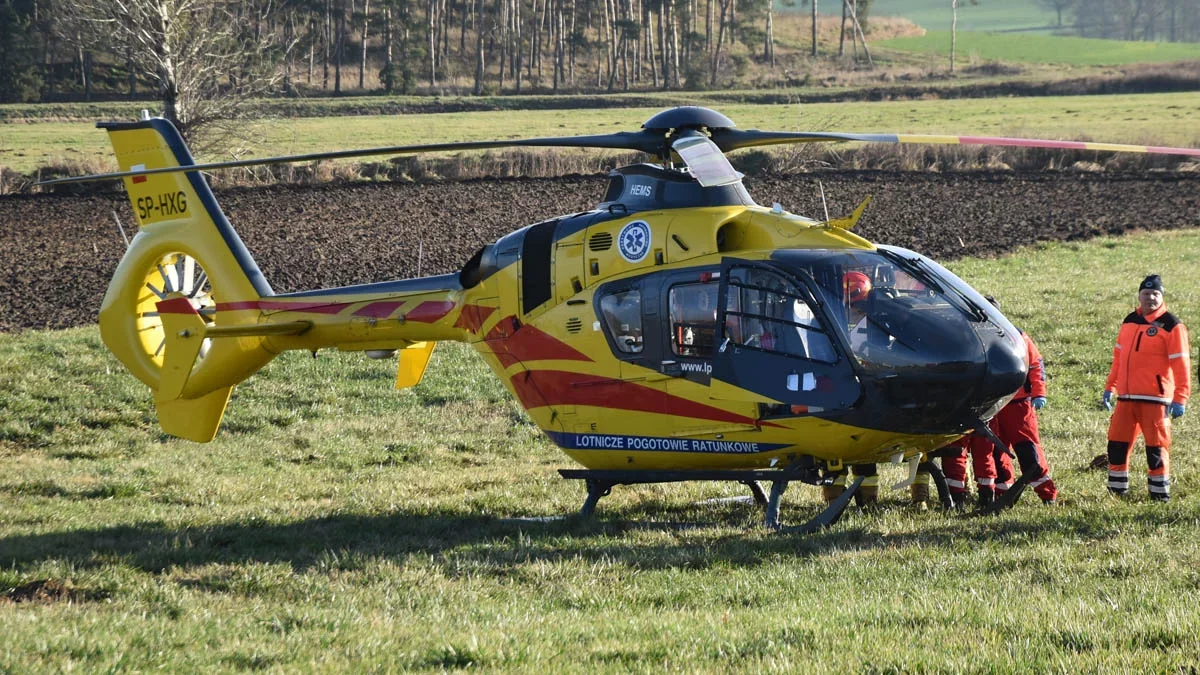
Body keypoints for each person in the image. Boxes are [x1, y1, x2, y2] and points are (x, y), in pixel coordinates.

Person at [950, 296, 1058, 506]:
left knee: (1028, 450)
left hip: (1017, 405)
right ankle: (1003, 494)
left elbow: (1035, 365)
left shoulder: (1017, 336)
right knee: (995, 452)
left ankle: (1047, 494)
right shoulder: (974, 335)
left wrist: (1039, 393)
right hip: (991, 405)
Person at [1102, 274, 1191, 502]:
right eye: (1146, 293)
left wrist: (1180, 397)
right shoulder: (1130, 320)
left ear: (1162, 296)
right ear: (1139, 296)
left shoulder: (1172, 325)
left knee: (1156, 448)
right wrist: (1110, 386)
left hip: (1156, 399)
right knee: (1116, 445)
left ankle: (1159, 495)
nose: (1150, 297)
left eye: (1155, 294)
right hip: (1126, 399)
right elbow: (1119, 357)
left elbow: (1181, 363)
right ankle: (1117, 492)